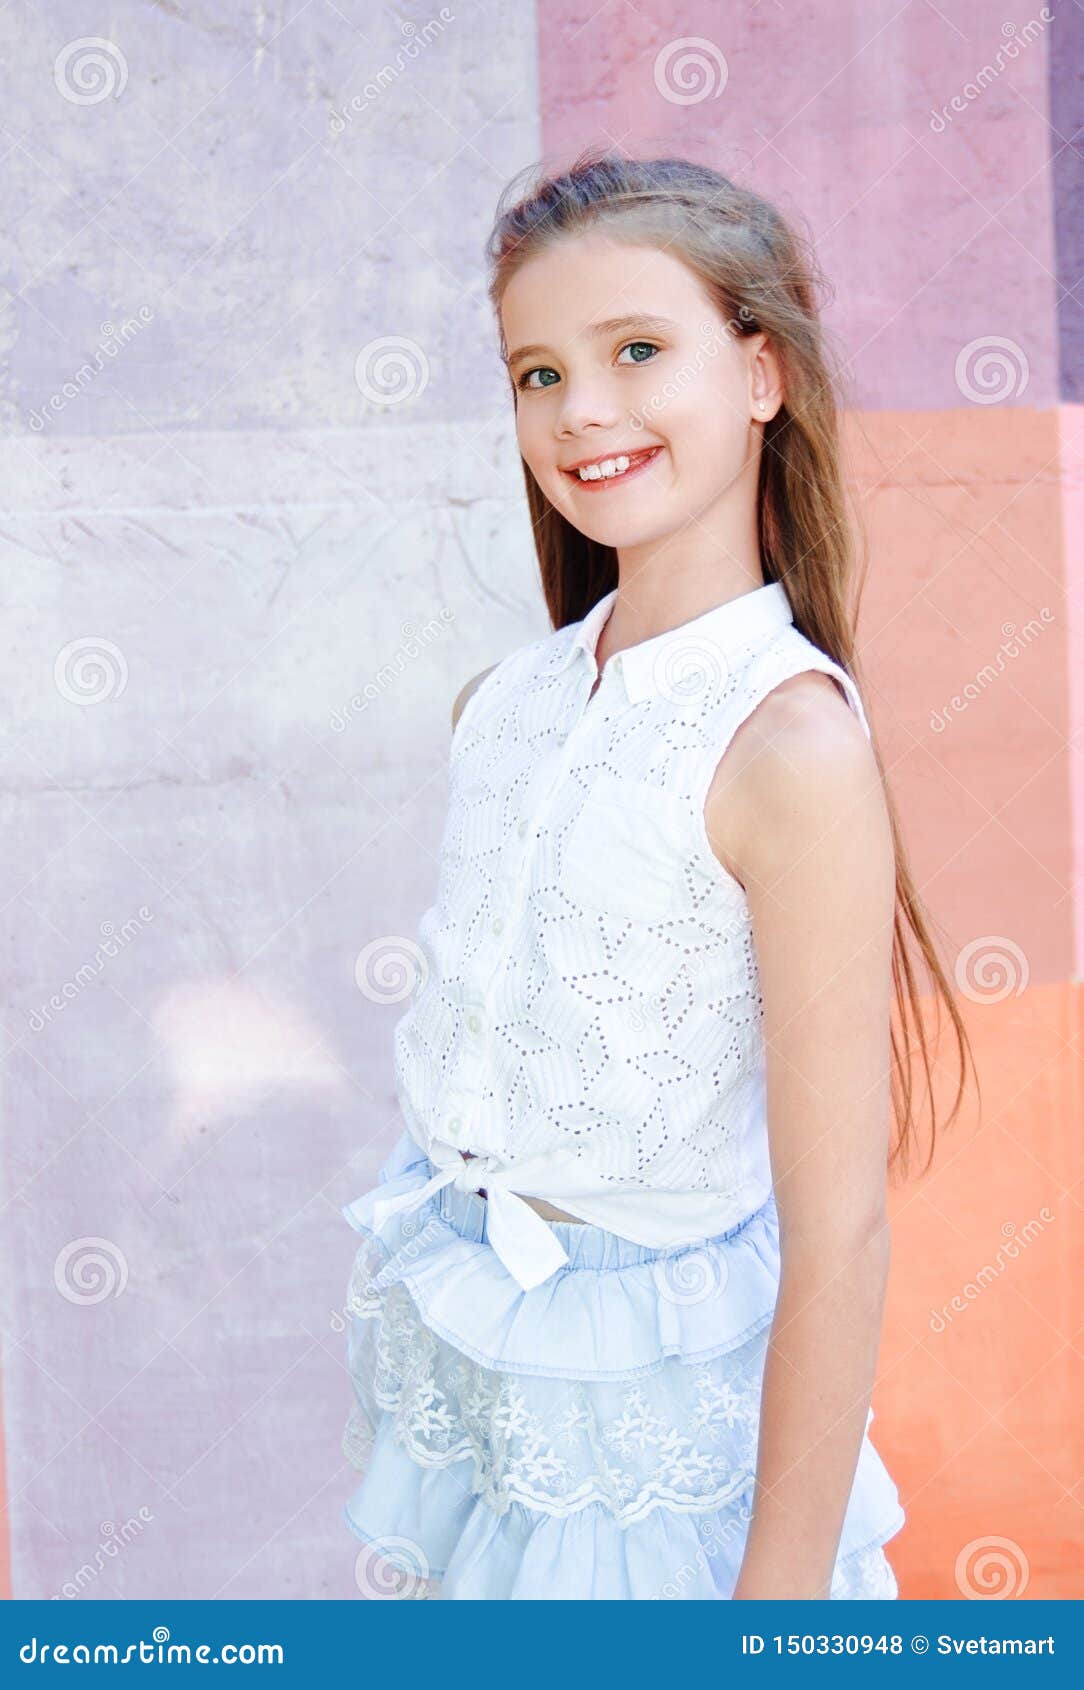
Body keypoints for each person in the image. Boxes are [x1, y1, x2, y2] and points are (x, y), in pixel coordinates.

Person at [338, 148, 978, 1600]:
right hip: (497, 1421)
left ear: (761, 376)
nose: (585, 411)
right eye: (538, 372)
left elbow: (842, 1228)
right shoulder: (500, 704)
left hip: (668, 1476)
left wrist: (772, 1609)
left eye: (637, 350)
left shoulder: (786, 747)